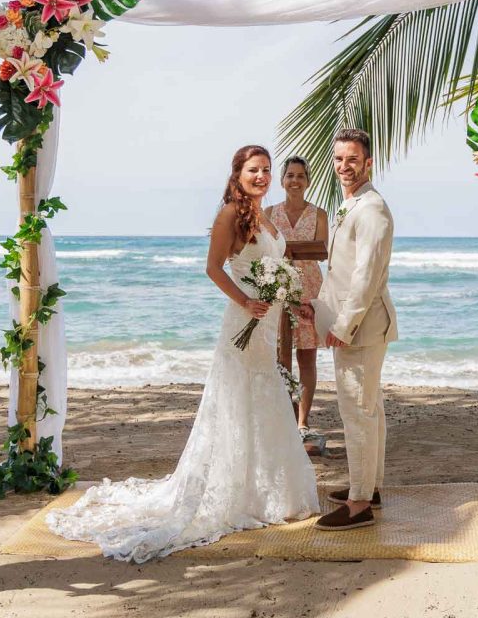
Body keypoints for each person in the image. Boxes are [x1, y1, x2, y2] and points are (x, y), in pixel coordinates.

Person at [46, 145, 319, 562]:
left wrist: (287, 296)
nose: (261, 176)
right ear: (238, 173)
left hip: (266, 324)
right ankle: (235, 490)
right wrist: (247, 301)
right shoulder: (230, 213)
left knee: (266, 398)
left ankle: (269, 489)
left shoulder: (264, 216)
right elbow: (213, 267)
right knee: (238, 399)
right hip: (244, 320)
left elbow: (275, 267)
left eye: (266, 170)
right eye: (253, 170)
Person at [302, 128, 397, 531]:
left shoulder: (372, 208)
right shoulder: (352, 204)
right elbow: (339, 272)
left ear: (368, 161)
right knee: (369, 409)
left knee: (357, 413)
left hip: (361, 328)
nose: (344, 166)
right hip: (352, 323)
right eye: (339, 159)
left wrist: (343, 325)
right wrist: (318, 309)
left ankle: (359, 506)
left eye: (352, 159)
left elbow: (366, 277)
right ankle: (369, 487)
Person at [268, 156, 329, 457]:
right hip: (277, 293)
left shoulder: (319, 215)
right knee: (280, 360)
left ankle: (303, 422)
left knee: (307, 358)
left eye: (300, 176)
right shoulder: (268, 213)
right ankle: (285, 418)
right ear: (282, 180)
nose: (295, 181)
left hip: (308, 290)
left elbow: (322, 252)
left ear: (308, 181)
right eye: (290, 175)